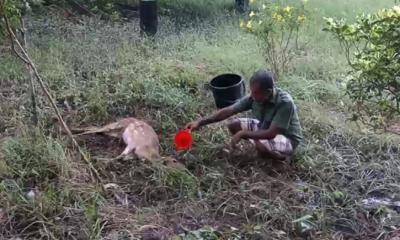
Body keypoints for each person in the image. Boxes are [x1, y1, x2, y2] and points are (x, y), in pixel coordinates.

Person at [185, 69, 303, 161]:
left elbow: (271, 133)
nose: (251, 95)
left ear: (267, 92)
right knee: (233, 125)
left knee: (261, 145)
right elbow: (228, 111)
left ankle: (280, 158)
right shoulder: (255, 97)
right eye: (251, 91)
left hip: (287, 138)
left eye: (255, 92)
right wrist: (200, 122)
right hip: (265, 127)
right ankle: (261, 147)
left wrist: (243, 133)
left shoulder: (285, 103)